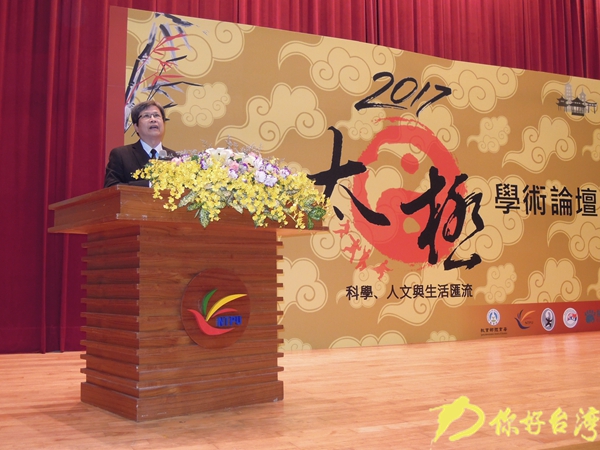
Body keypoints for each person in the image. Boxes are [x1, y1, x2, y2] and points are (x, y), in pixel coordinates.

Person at [104, 100, 178, 187]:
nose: (153, 119)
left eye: (156, 115)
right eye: (146, 116)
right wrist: (150, 184)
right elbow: (111, 186)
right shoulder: (121, 155)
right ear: (136, 127)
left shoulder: (175, 158)